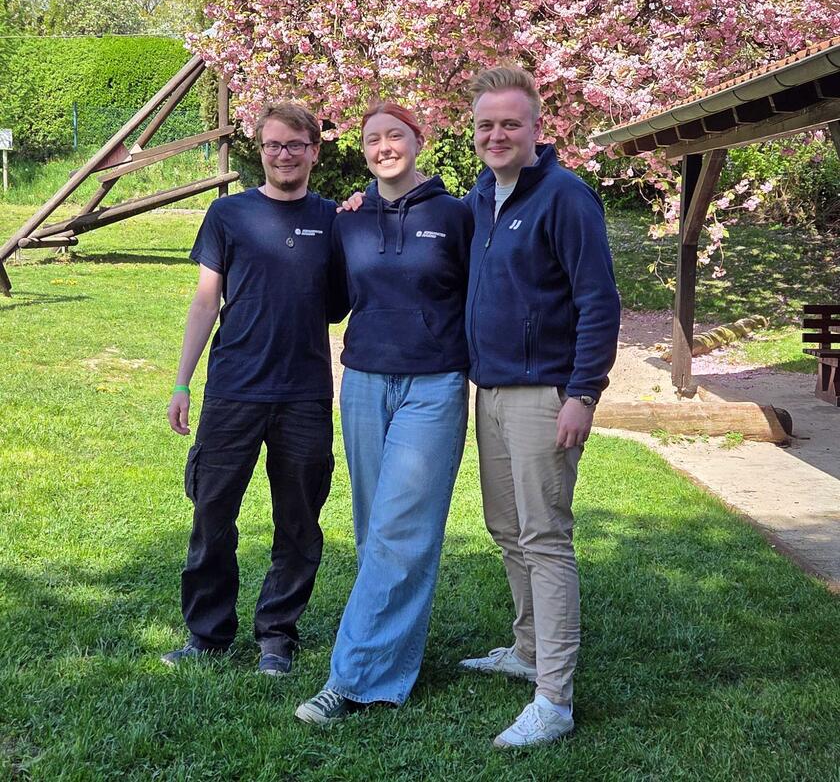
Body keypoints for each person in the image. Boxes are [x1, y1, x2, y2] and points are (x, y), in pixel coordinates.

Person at [456, 66, 621, 747]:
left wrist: (583, 392)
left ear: (535, 128)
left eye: (509, 123)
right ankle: (527, 651)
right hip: (490, 390)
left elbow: (598, 300)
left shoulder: (565, 196)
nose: (496, 135)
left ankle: (554, 699)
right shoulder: (479, 197)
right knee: (506, 527)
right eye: (485, 125)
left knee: (545, 538)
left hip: (546, 393)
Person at [294, 102, 473, 725]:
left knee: (402, 529)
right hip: (365, 382)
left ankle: (349, 680)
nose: (384, 147)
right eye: (372, 139)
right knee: (376, 530)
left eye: (395, 135)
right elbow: (334, 302)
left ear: (419, 140)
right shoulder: (348, 220)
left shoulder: (456, 215)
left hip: (434, 384)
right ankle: (389, 667)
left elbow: (482, 293)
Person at [163, 102, 343, 676]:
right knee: (212, 515)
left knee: (299, 522)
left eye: (295, 145)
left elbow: (341, 303)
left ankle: (277, 637)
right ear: (260, 150)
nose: (283, 155)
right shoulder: (227, 214)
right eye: (273, 145)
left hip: (304, 395)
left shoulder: (334, 219)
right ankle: (208, 634)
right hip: (233, 390)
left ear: (314, 150)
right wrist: (182, 382)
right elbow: (204, 301)